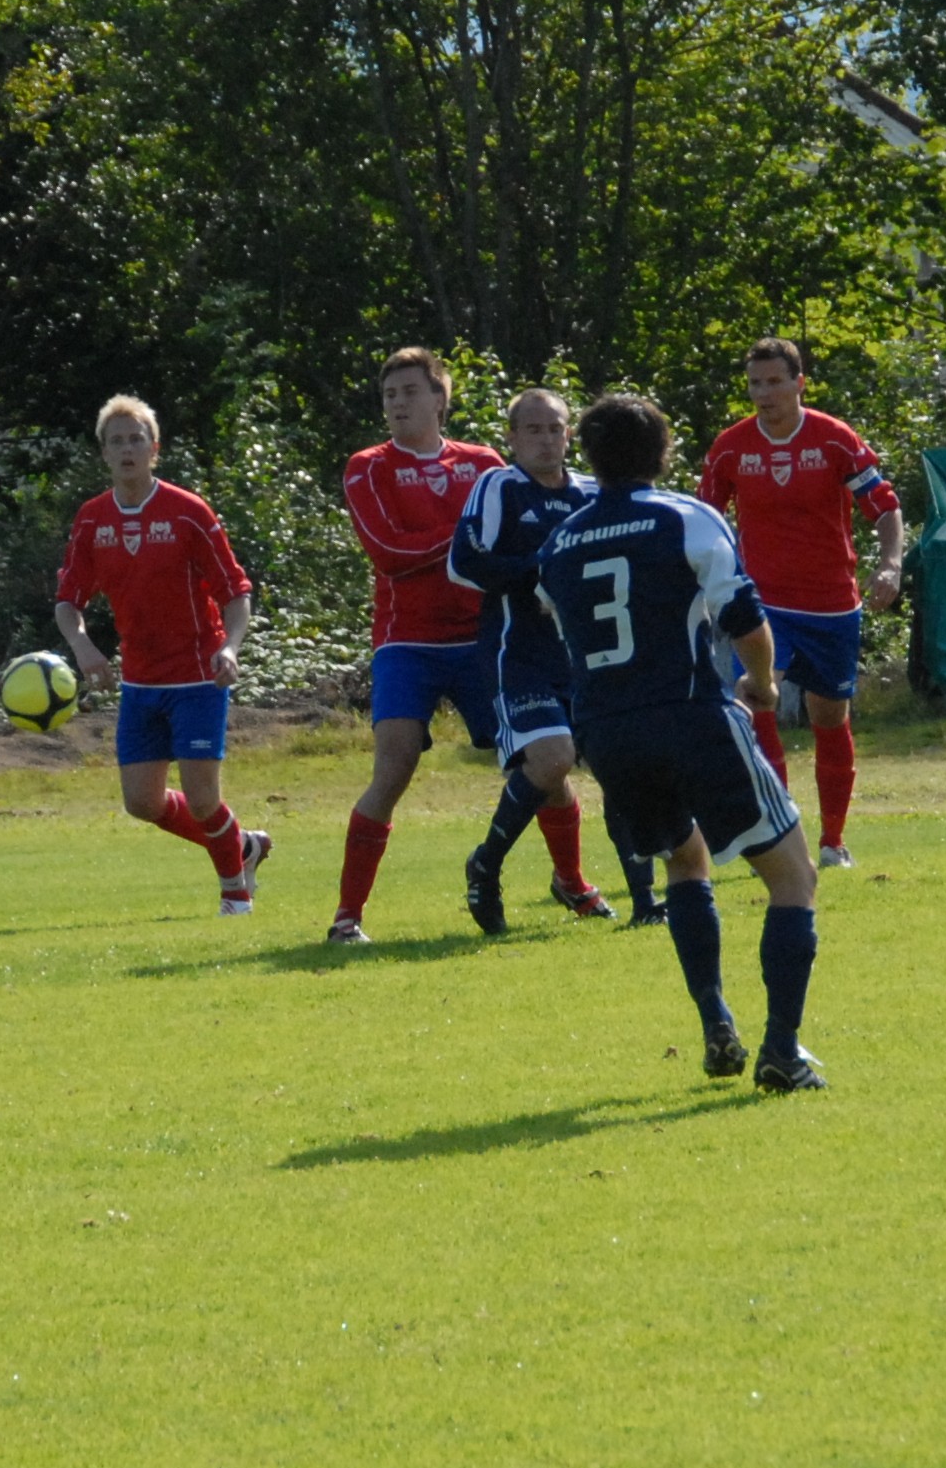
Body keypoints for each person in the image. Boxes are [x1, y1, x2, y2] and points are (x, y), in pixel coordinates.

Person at [544, 393, 827, 1092]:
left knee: (684, 860)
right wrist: (761, 683)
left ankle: (714, 1020)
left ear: (589, 457)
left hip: (608, 732)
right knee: (792, 876)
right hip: (691, 714)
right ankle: (782, 1052)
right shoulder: (685, 517)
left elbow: (569, 635)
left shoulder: (557, 545)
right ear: (663, 453)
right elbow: (743, 617)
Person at [332, 347, 601, 943]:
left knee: (549, 764)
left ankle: (571, 880)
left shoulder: (483, 464)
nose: (397, 403)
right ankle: (347, 916)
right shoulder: (368, 466)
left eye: (409, 391)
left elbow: (516, 534)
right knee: (395, 763)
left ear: (440, 399)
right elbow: (388, 552)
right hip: (408, 642)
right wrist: (467, 540)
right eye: (389, 395)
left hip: (489, 642)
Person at [450, 387, 661, 930]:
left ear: (571, 436)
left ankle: (645, 903)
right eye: (533, 430)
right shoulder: (499, 486)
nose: (545, 440)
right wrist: (542, 576)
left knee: (622, 768)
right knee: (552, 758)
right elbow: (464, 563)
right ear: (512, 438)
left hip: (592, 659)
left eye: (555, 429)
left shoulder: (596, 493)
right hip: (520, 655)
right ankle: (487, 866)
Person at [52, 395, 273, 914]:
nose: (127, 449)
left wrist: (230, 647)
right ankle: (244, 845)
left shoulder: (187, 512)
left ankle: (235, 896)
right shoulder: (92, 520)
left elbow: (236, 592)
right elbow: (68, 602)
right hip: (141, 683)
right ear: (103, 453)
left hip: (199, 677)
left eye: (136, 439)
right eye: (116, 441)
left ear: (154, 449)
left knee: (201, 798)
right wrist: (83, 645)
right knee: (142, 803)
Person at [695, 337, 903, 869]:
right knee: (760, 697)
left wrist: (890, 563)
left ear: (799, 383)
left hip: (832, 603)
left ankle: (834, 840)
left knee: (829, 716)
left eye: (774, 382)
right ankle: (782, 830)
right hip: (762, 602)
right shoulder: (731, 447)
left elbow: (883, 506)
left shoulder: (835, 439)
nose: (763, 393)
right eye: (755, 384)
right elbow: (704, 522)